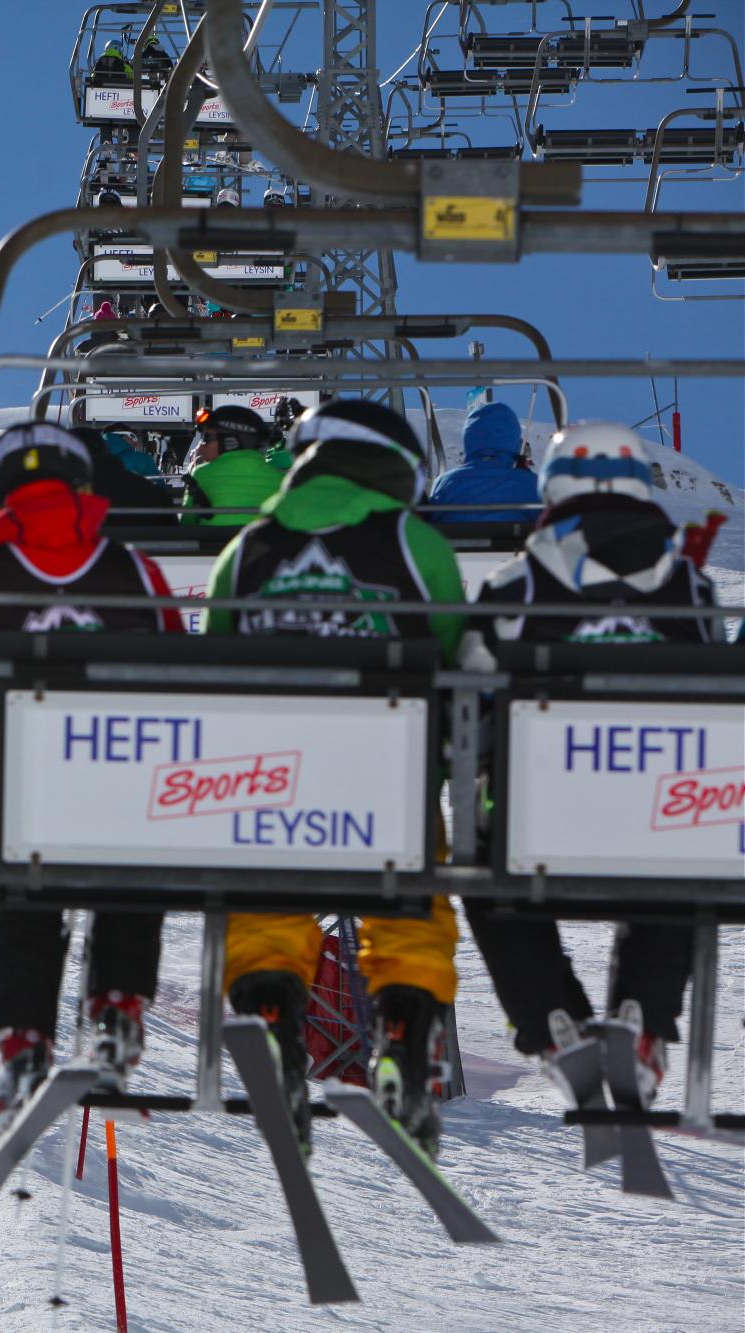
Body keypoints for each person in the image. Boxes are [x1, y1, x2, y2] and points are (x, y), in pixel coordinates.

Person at [203, 399, 466, 1158]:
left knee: (266, 892)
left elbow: (216, 655)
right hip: (387, 764)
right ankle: (406, 1035)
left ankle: (275, 1012)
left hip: (272, 769)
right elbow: (451, 644)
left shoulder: (249, 551)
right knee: (411, 891)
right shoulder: (417, 545)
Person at [0, 422, 186, 1127]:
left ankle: (21, 1040)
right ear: (82, 486)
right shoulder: (130, 569)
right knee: (131, 877)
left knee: (25, 897)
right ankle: (117, 1009)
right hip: (123, 771)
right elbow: (177, 656)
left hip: (28, 777)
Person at [461, 422, 727, 1104]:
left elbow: (471, 692)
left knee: (487, 866)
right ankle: (646, 1013)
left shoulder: (517, 583)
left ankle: (553, 1019)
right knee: (678, 854)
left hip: (539, 817)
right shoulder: (689, 589)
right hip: (658, 811)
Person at [427, 399, 539, 525]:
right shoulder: (532, 485)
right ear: (514, 441)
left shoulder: (445, 483)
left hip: (455, 544)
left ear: (469, 438)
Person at [181, 405, 284, 527]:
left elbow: (186, 523)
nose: (201, 446)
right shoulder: (282, 480)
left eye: (207, 438)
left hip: (212, 545)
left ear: (230, 443)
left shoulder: (200, 475)